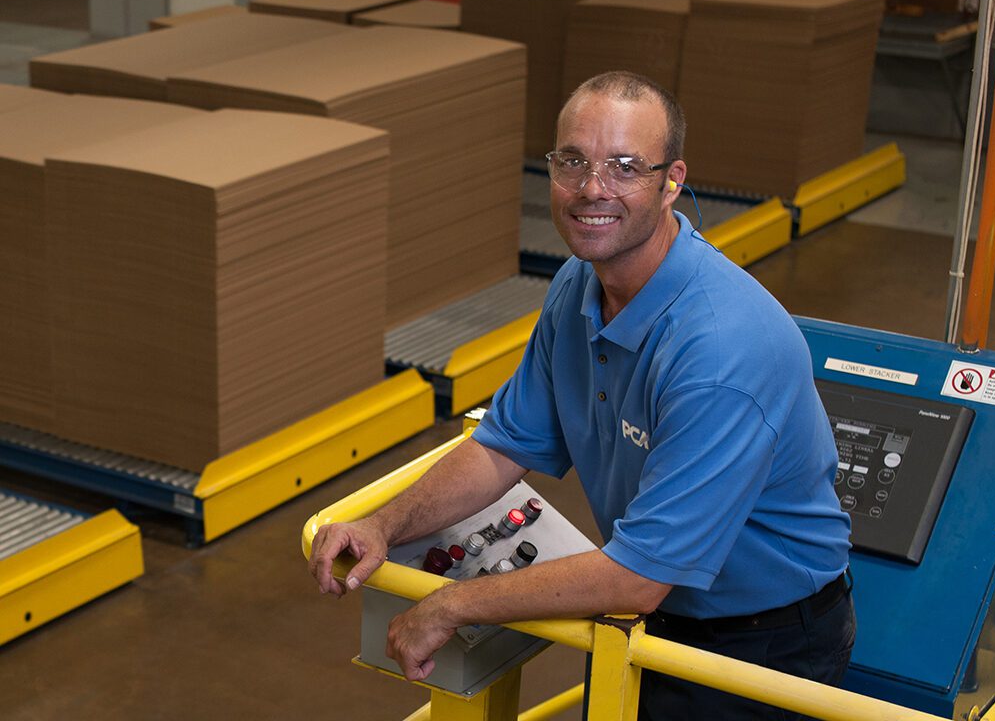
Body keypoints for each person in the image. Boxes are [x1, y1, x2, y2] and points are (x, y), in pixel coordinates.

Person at [309, 70, 855, 719]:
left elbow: (637, 575)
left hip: (759, 643)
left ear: (672, 180)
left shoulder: (721, 349)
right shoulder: (576, 286)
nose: (593, 189)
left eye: (625, 166)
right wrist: (381, 524)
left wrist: (449, 605)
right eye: (574, 161)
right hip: (640, 616)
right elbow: (501, 447)